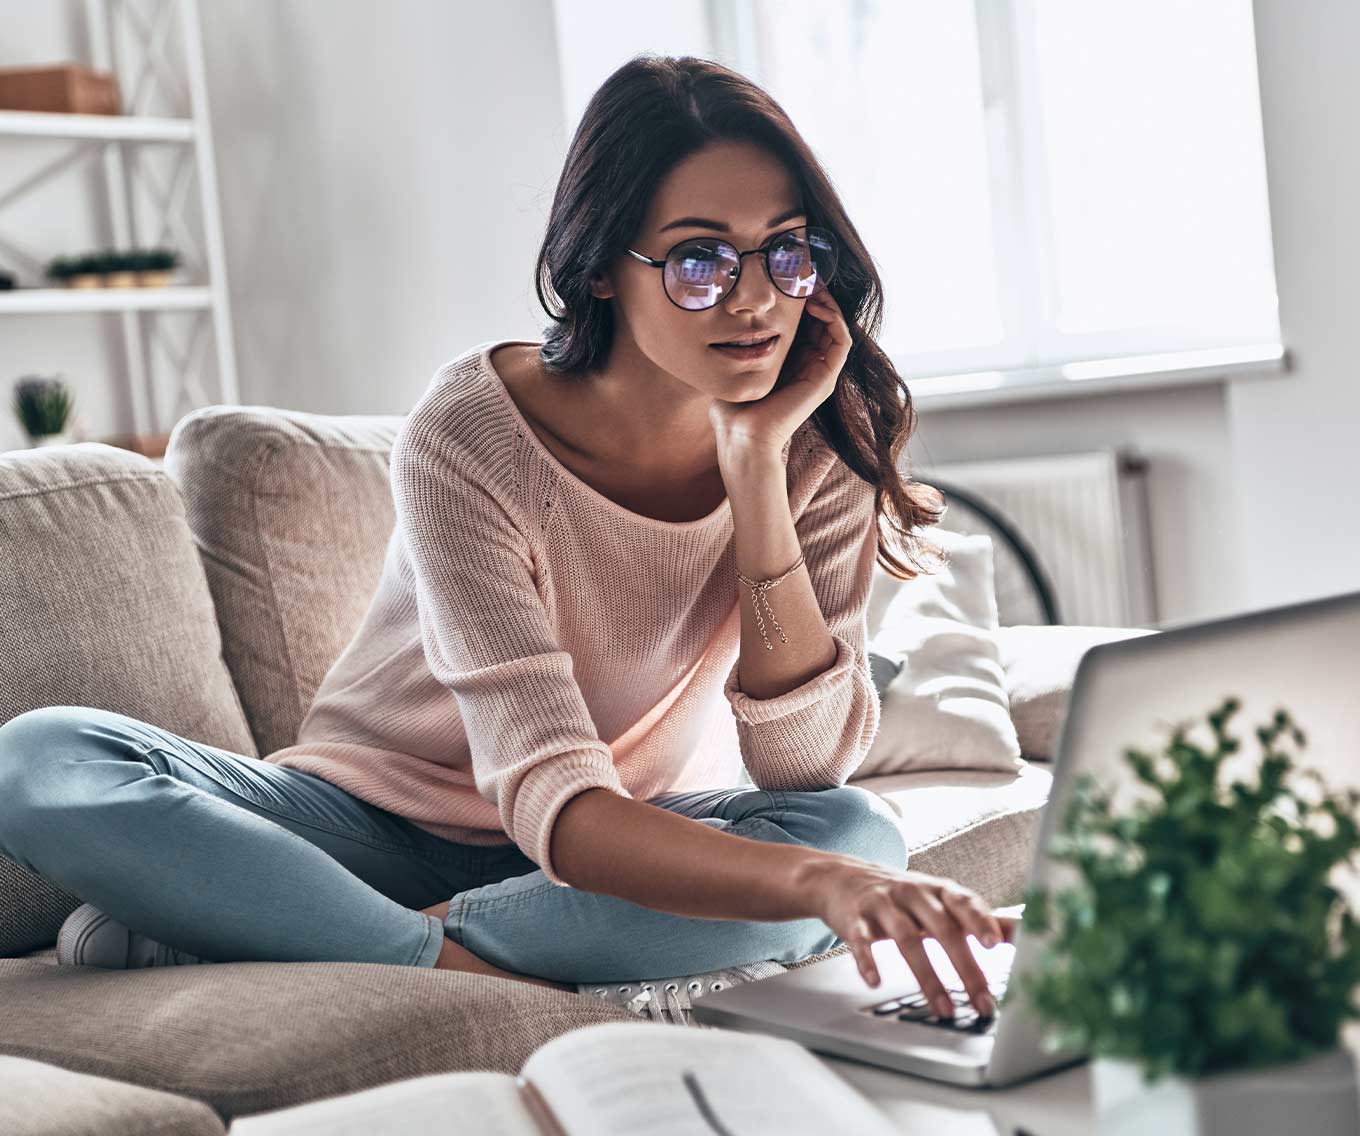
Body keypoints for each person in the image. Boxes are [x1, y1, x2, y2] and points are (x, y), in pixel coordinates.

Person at [0, 54, 1013, 1027]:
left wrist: (753, 470)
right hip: (362, 828)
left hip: (601, 849)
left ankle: (280, 925)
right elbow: (554, 799)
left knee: (853, 833)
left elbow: (802, 766)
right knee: (39, 758)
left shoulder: (817, 431)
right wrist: (812, 888)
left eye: (787, 250)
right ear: (604, 265)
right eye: (700, 258)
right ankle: (426, 956)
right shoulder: (474, 430)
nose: (756, 298)